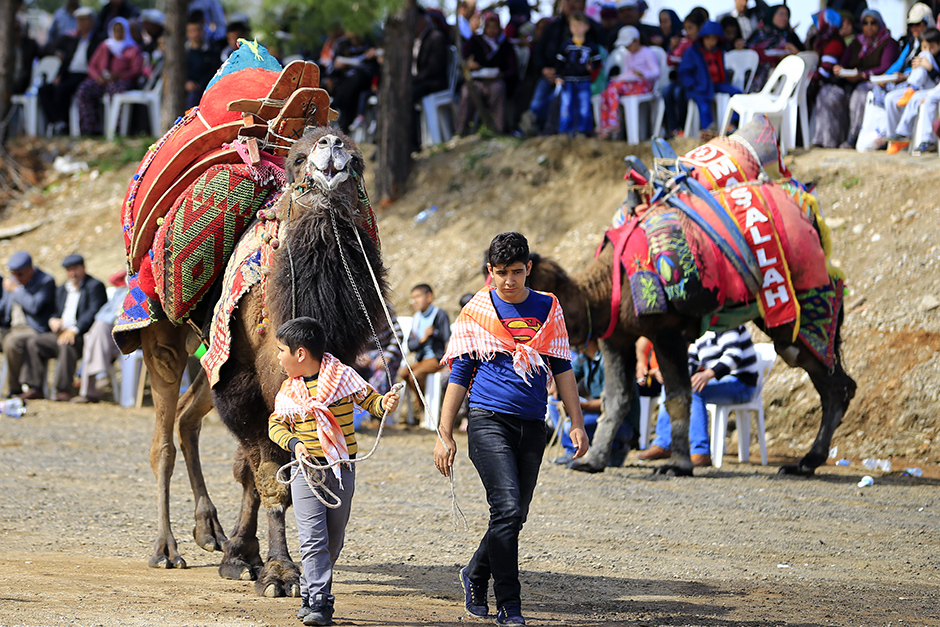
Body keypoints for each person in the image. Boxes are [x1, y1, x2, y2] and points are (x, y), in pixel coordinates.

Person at [434, 232, 588, 626]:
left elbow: (562, 367)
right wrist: (444, 432)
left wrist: (576, 423)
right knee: (505, 508)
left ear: (528, 270)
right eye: (500, 273)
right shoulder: (478, 309)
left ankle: (475, 573)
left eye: (516, 272)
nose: (509, 281)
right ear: (490, 271)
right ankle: (510, 605)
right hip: (487, 421)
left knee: (514, 515)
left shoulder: (547, 307)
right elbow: (460, 372)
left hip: (533, 424)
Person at [268, 317, 400, 626]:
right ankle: (320, 600)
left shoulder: (345, 378)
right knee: (313, 538)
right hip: (306, 472)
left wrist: (387, 403)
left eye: (280, 350)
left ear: (300, 354)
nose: (277, 357)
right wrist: (295, 443)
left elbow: (373, 404)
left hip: (341, 469)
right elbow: (275, 424)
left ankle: (312, 590)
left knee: (333, 539)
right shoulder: (289, 390)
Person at [638, 325, 759, 468]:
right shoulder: (701, 331)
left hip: (741, 383)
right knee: (673, 386)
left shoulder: (728, 323)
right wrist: (675, 376)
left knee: (695, 391)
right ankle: (664, 443)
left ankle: (701, 451)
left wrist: (709, 374)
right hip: (719, 382)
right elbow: (691, 361)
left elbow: (734, 356)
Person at [22, 254, 106, 402]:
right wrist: (53, 320)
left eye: (75, 269)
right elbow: (55, 310)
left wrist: (75, 329)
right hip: (61, 332)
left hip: (83, 335)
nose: (72, 273)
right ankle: (35, 387)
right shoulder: (62, 289)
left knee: (66, 345)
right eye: (69, 270)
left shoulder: (94, 286)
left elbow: (94, 312)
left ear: (83, 268)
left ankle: (64, 390)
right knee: (34, 342)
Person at [815, 9, 899, 149]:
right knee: (827, 93)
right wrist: (839, 70)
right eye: (865, 23)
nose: (869, 26)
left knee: (860, 95)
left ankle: (853, 138)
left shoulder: (889, 43)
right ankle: (825, 140)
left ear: (880, 24)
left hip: (873, 83)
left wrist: (863, 75)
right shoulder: (857, 42)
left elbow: (886, 66)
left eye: (873, 23)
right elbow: (844, 62)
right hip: (848, 82)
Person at [74, 16, 144, 135]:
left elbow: (137, 70)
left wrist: (118, 75)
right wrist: (98, 77)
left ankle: (115, 130)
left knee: (115, 92)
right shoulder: (105, 46)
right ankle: (91, 128)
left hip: (121, 82)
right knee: (84, 89)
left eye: (121, 30)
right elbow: (92, 65)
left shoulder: (133, 48)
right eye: (115, 30)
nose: (118, 33)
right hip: (102, 81)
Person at [1, 252, 56, 399]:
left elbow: (35, 306)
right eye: (14, 274)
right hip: (11, 327)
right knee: (10, 338)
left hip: (33, 329)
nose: (17, 278)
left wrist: (17, 290)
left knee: (12, 342)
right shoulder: (12, 280)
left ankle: (15, 389)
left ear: (31, 268)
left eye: (20, 274)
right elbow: (4, 308)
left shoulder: (45, 281)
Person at [39, 6, 99, 136]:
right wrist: (59, 75)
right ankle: (57, 121)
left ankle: (64, 123)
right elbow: (65, 60)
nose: (82, 23)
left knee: (63, 89)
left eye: (85, 20)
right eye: (79, 20)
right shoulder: (72, 39)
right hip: (70, 74)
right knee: (44, 90)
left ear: (92, 21)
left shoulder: (98, 39)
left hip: (86, 75)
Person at [456, 11, 518, 135]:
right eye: (489, 27)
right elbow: (463, 60)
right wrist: (469, 64)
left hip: (496, 81)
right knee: (467, 92)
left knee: (498, 89)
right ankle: (461, 131)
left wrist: (500, 74)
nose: (492, 30)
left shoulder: (505, 45)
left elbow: (512, 69)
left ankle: (496, 131)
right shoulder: (475, 41)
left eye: (495, 27)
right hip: (476, 80)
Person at [71, 270, 127, 403]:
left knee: (96, 331)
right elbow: (101, 314)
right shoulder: (119, 293)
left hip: (125, 337)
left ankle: (90, 387)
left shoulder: (139, 292)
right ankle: (99, 374)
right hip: (106, 338)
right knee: (94, 333)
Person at [397, 284, 450, 421]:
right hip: (422, 359)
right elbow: (411, 345)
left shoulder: (439, 315)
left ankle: (424, 409)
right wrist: (423, 338)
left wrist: (434, 334)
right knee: (403, 373)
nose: (415, 301)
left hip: (436, 358)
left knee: (416, 374)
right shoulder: (416, 319)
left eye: (418, 297)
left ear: (429, 297)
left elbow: (447, 338)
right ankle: (423, 404)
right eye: (413, 298)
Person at [597, 25, 660, 139]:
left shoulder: (647, 53)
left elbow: (656, 72)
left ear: (637, 40)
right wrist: (620, 77)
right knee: (606, 92)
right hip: (630, 85)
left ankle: (613, 121)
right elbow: (628, 73)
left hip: (644, 86)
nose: (627, 48)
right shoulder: (627, 55)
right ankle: (606, 125)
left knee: (613, 88)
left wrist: (643, 74)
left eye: (628, 44)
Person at [678, 21, 741, 134]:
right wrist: (694, 84)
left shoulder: (718, 51)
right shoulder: (693, 52)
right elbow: (683, 73)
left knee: (737, 93)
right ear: (702, 38)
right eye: (708, 38)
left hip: (716, 84)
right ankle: (708, 131)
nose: (711, 42)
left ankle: (731, 123)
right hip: (699, 86)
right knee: (704, 108)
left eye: (714, 39)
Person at [884, 27, 940, 154]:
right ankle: (895, 138)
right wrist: (915, 69)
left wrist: (929, 68)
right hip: (917, 86)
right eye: (925, 47)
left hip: (931, 89)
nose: (928, 51)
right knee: (890, 98)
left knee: (915, 97)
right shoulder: (920, 53)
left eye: (932, 47)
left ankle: (904, 134)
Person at [554, 11, 602, 136]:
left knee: (584, 107)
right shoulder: (566, 45)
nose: (576, 28)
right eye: (573, 25)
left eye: (579, 25)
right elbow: (560, 62)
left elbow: (598, 61)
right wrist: (558, 76)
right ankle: (565, 133)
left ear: (586, 27)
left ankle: (583, 132)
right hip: (568, 80)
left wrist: (591, 66)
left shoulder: (591, 46)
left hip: (584, 81)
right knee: (566, 106)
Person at [745, 4, 804, 93]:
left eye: (787, 15)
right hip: (757, 74)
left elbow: (804, 57)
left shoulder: (790, 36)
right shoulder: (760, 33)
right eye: (781, 14)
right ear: (771, 15)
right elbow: (748, 51)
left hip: (785, 78)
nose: (784, 18)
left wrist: (795, 53)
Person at [184, 10, 222, 109]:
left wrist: (200, 84)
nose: (196, 34)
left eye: (199, 30)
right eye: (192, 31)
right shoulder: (183, 52)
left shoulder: (213, 51)